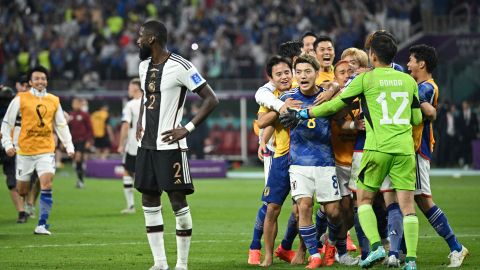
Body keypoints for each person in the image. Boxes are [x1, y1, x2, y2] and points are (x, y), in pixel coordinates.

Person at [281, 34, 423, 270]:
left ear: (373, 55)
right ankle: (410, 261)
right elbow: (417, 117)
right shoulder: (408, 81)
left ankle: (376, 246)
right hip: (405, 150)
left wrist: (304, 113)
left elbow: (334, 105)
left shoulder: (366, 79)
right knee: (407, 207)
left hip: (377, 148)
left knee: (364, 200)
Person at [135, 20, 218, 270]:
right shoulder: (142, 66)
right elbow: (145, 97)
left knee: (177, 203)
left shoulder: (181, 66)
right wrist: (140, 121)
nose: (138, 40)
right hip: (146, 146)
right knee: (149, 200)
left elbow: (211, 99)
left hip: (171, 146)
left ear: (152, 39)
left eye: (141, 36)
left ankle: (182, 264)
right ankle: (159, 263)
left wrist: (187, 128)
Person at [280, 54, 359, 268]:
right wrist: (276, 112)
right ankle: (314, 255)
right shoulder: (288, 97)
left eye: (307, 71)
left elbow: (343, 122)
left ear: (316, 74)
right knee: (303, 207)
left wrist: (356, 126)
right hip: (298, 164)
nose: (303, 75)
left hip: (325, 163)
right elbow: (266, 119)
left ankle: (330, 246)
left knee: (334, 212)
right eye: (299, 72)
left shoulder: (326, 97)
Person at [408, 44, 469, 267]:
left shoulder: (426, 87)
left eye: (411, 60)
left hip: (416, 149)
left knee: (422, 200)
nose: (408, 65)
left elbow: (422, 107)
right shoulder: (419, 85)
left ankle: (456, 247)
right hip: (410, 149)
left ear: (421, 64)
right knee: (409, 199)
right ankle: (398, 249)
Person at [1, 66, 75, 235]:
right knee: (22, 190)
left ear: (47, 80)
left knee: (47, 183)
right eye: (36, 78)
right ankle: (26, 202)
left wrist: (69, 146)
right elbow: (7, 124)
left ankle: (42, 224)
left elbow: (61, 125)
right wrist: (8, 145)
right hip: (24, 152)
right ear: (30, 82)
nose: (40, 81)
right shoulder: (20, 99)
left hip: (46, 150)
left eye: (43, 78)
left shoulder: (54, 100)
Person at [250, 55, 296, 267]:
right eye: (279, 74)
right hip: (281, 157)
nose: (284, 76)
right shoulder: (270, 95)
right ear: (272, 78)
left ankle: (300, 251)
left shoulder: (302, 88)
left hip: (305, 156)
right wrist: (281, 106)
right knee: (272, 209)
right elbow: (261, 121)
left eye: (287, 72)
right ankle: (267, 254)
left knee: (302, 208)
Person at [0, 84, 26, 223]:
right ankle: (22, 212)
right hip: (10, 147)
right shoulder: (15, 108)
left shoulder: (15, 111)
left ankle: (22, 212)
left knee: (13, 182)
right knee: (13, 182)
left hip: (9, 147)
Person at [117, 78, 142, 214]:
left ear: (135, 89)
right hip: (150, 142)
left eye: (129, 87)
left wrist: (121, 144)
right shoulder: (150, 102)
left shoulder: (130, 105)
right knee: (149, 173)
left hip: (133, 143)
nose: (128, 89)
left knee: (128, 171)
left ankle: (131, 206)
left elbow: (125, 125)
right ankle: (156, 204)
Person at [68, 97, 93, 188]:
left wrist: (89, 141)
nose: (76, 105)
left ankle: (81, 181)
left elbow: (90, 129)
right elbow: (66, 129)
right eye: (74, 103)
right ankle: (80, 179)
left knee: (78, 157)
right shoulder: (70, 115)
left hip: (82, 140)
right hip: (72, 141)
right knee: (76, 161)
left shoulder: (84, 115)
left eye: (78, 103)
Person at [458, 100, 479, 168]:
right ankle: (466, 163)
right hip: (464, 135)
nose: (464, 106)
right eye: (463, 105)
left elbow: (476, 124)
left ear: (468, 105)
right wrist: (460, 134)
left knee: (472, 149)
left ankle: (473, 163)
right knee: (465, 149)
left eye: (465, 104)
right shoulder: (461, 114)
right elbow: (459, 125)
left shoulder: (473, 114)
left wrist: (477, 132)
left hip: (472, 135)